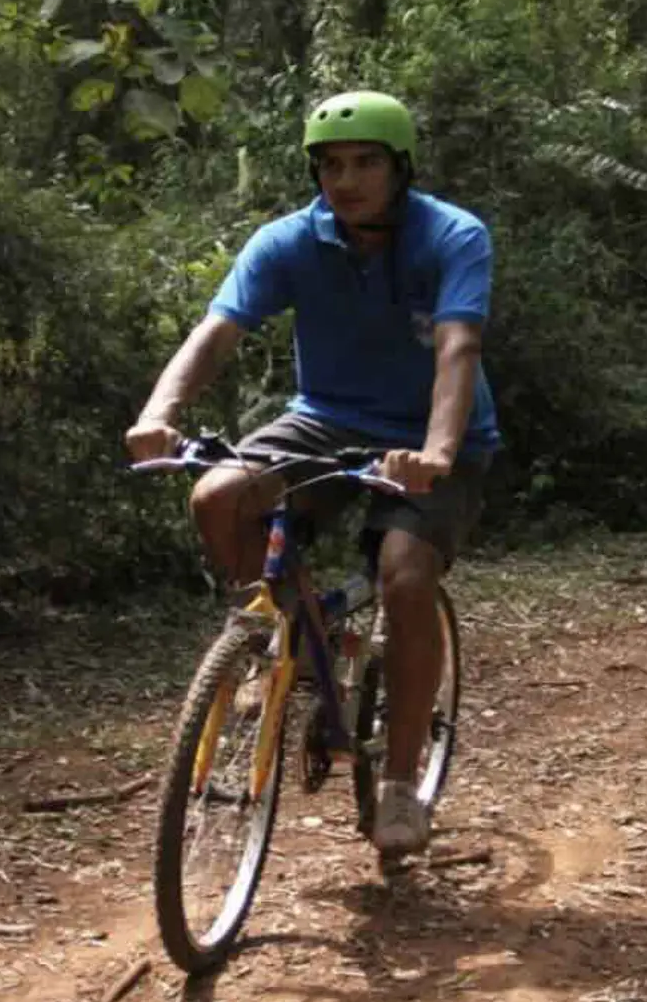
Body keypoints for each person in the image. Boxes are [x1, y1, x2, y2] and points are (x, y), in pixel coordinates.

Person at [124, 90, 500, 858]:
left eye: (365, 162)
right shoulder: (288, 241)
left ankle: (398, 787)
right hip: (323, 418)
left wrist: (433, 454)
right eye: (330, 165)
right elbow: (216, 332)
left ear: (400, 169)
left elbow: (456, 350)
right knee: (218, 493)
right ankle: (279, 638)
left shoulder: (452, 236)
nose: (347, 179)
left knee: (403, 575)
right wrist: (159, 410)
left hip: (437, 432)